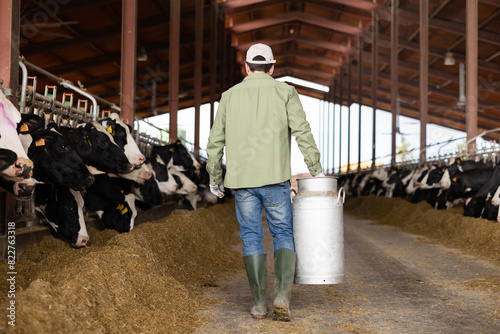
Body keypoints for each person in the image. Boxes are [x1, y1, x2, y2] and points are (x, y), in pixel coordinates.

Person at [205, 43, 324, 322]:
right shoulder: (285, 92)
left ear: (246, 67)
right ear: (273, 67)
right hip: (275, 179)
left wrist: (215, 176)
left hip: (243, 181)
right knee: (283, 233)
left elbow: (215, 140)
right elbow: (301, 129)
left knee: (251, 237)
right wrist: (314, 167)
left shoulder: (229, 96)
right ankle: (282, 297)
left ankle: (259, 303)